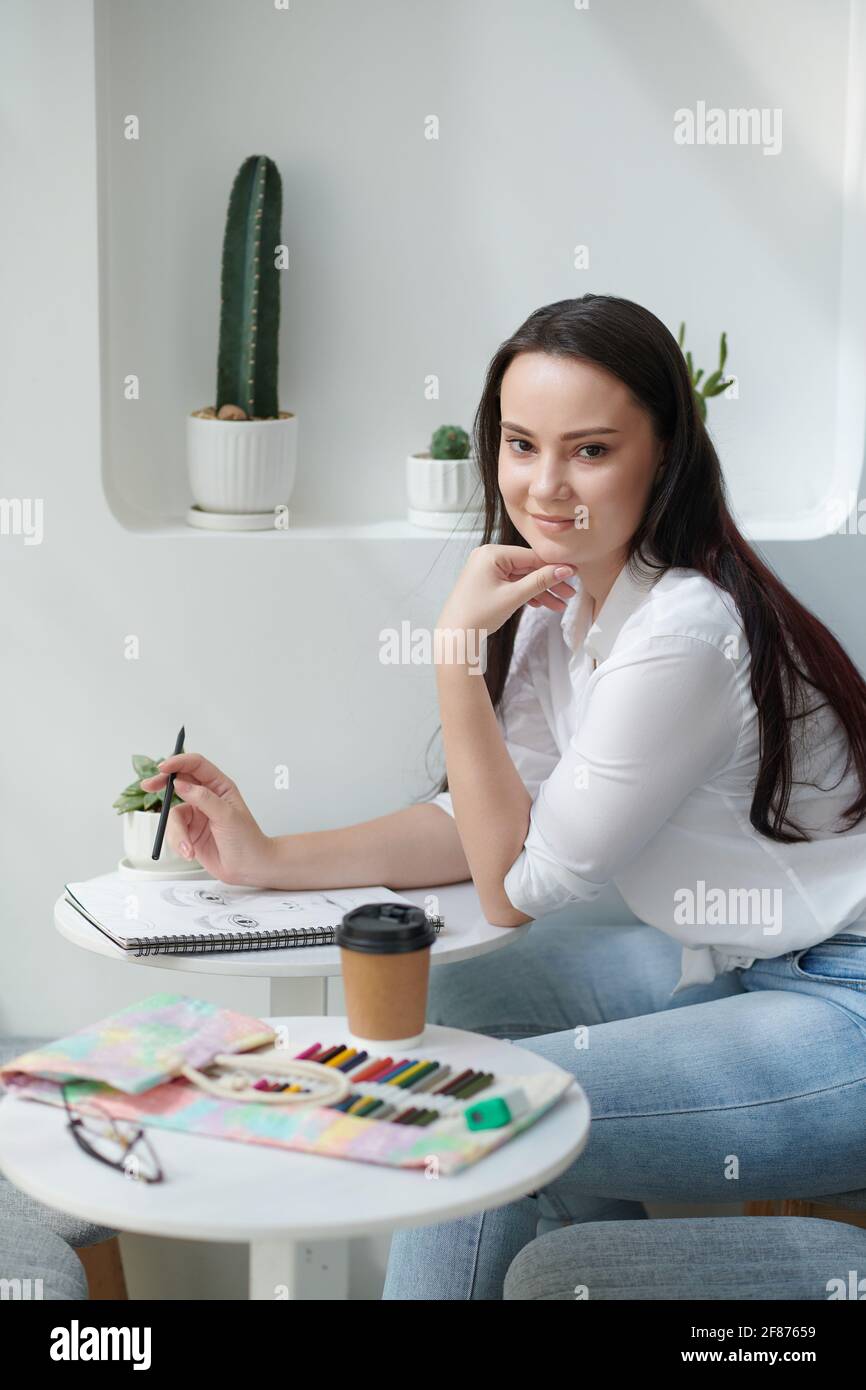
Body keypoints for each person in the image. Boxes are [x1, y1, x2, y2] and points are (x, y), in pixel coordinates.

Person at [141, 294, 866, 1301]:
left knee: (469, 1107)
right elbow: (473, 819)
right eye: (520, 444)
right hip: (725, 960)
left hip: (839, 1001)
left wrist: (452, 660)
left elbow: (515, 885)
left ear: (664, 452)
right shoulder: (565, 591)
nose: (544, 485)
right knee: (445, 1005)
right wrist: (268, 857)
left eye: (590, 450)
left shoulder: (682, 628)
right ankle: (559, 1278)